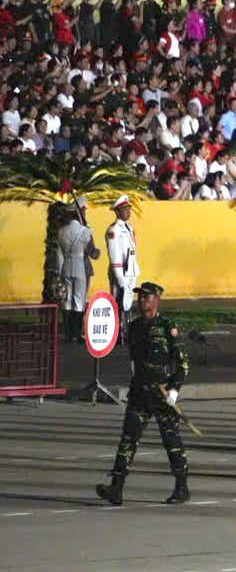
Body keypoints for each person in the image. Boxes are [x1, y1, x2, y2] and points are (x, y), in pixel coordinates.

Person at [95, 282, 190, 506]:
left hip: (163, 395)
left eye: (147, 297)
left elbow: (183, 364)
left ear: (157, 300)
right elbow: (135, 360)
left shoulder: (168, 327)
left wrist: (174, 390)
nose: (142, 300)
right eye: (140, 296)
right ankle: (116, 488)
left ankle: (181, 487)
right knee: (128, 440)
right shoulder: (135, 326)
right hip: (140, 393)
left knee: (171, 441)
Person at [56, 196, 100, 343]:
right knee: (79, 299)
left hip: (66, 266)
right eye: (83, 211)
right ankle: (76, 333)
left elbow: (59, 254)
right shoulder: (84, 231)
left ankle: (68, 334)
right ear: (79, 212)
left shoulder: (61, 230)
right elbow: (92, 252)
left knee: (67, 300)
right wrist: (97, 252)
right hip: (79, 265)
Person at [105, 195, 140, 329]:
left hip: (130, 270)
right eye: (124, 209)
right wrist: (120, 277)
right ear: (117, 211)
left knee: (127, 303)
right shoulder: (114, 230)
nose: (128, 211)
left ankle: (125, 329)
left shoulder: (129, 228)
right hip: (121, 271)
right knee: (118, 302)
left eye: (128, 208)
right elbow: (114, 255)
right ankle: (118, 331)